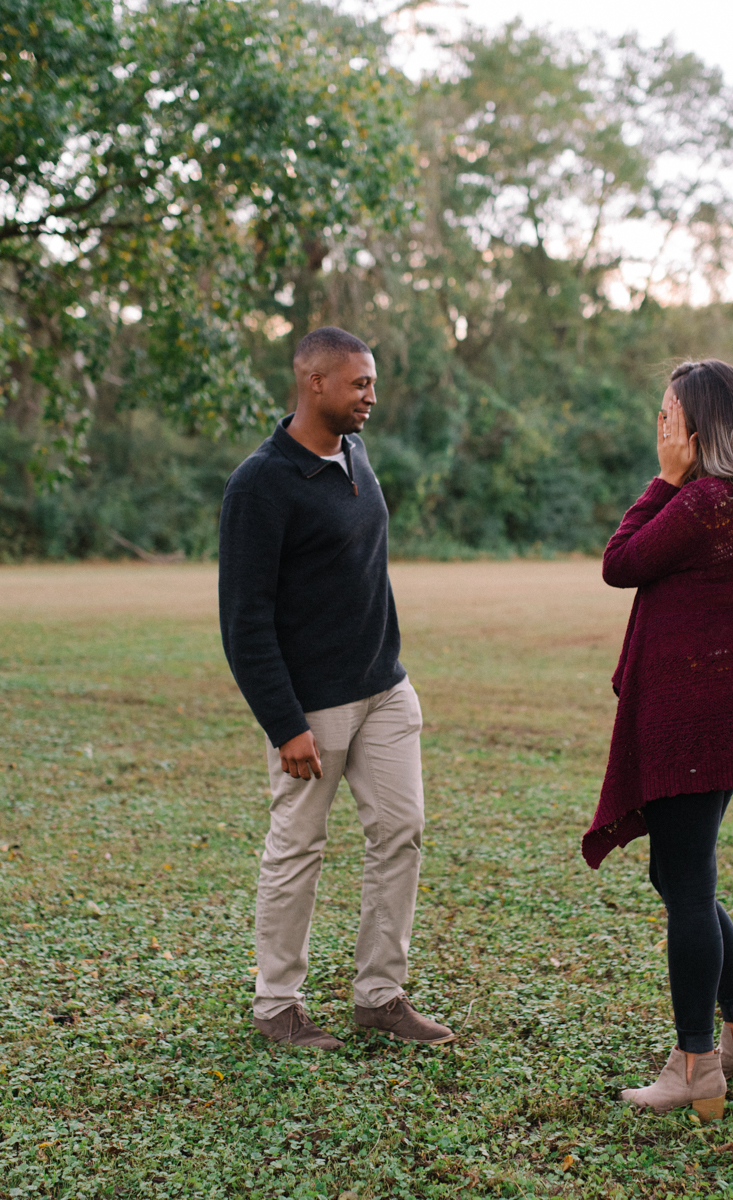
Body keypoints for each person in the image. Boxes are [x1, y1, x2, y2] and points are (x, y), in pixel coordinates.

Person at [583, 359, 733, 1121]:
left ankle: (695, 1063)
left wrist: (664, 479)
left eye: (668, 415)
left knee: (686, 887)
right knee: (683, 878)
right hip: (732, 708)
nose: (661, 427)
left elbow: (620, 562)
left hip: (694, 715)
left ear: (700, 427)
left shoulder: (704, 500)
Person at [218, 326, 455, 1050]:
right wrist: (285, 723)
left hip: (384, 687)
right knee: (298, 847)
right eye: (359, 384)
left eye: (373, 383)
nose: (371, 398)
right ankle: (277, 1008)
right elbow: (244, 618)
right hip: (312, 705)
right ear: (313, 383)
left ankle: (379, 995)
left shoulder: (354, 451)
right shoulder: (260, 483)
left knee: (400, 834)